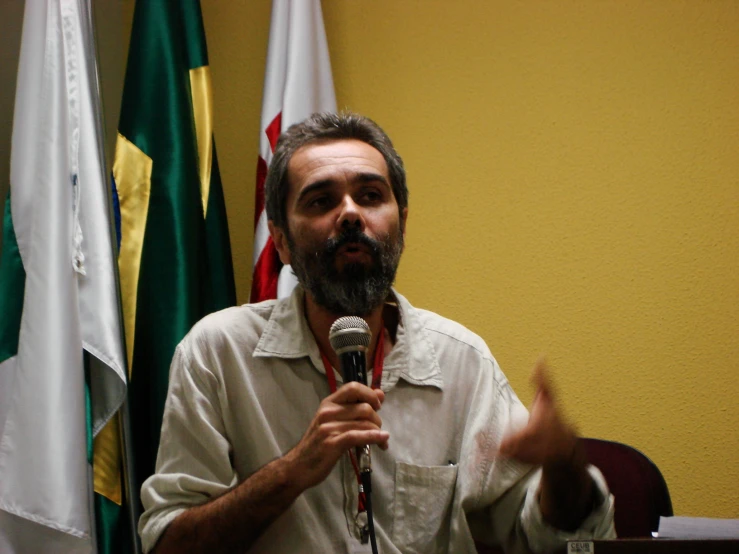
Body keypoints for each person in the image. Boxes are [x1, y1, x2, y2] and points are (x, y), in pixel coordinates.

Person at [138, 112, 615, 553]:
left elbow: (543, 537)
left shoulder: (459, 361)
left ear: (401, 224)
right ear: (280, 241)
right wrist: (291, 472)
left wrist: (564, 465)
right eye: (321, 200)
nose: (349, 214)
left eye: (370, 196)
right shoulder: (217, 354)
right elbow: (166, 544)